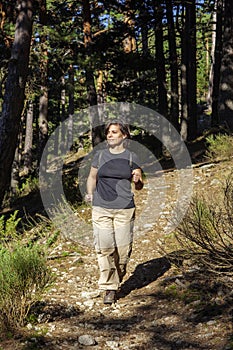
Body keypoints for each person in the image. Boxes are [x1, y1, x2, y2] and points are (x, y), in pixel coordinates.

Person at [85, 120, 143, 304]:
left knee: (123, 251)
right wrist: (90, 193)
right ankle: (110, 287)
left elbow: (139, 185)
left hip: (124, 209)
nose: (110, 135)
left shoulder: (132, 157)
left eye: (114, 132)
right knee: (105, 248)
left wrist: (138, 180)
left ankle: (117, 276)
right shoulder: (100, 156)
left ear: (124, 136)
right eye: (108, 132)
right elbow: (92, 177)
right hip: (101, 207)